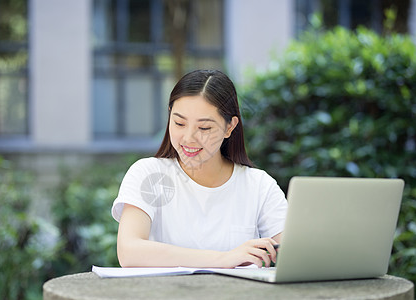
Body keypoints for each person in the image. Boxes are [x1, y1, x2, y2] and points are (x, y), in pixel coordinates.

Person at [112, 69, 288, 269]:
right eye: (179, 123)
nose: (188, 138)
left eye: (204, 128)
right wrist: (224, 259)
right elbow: (129, 252)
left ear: (230, 127)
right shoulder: (149, 174)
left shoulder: (259, 185)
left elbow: (296, 253)